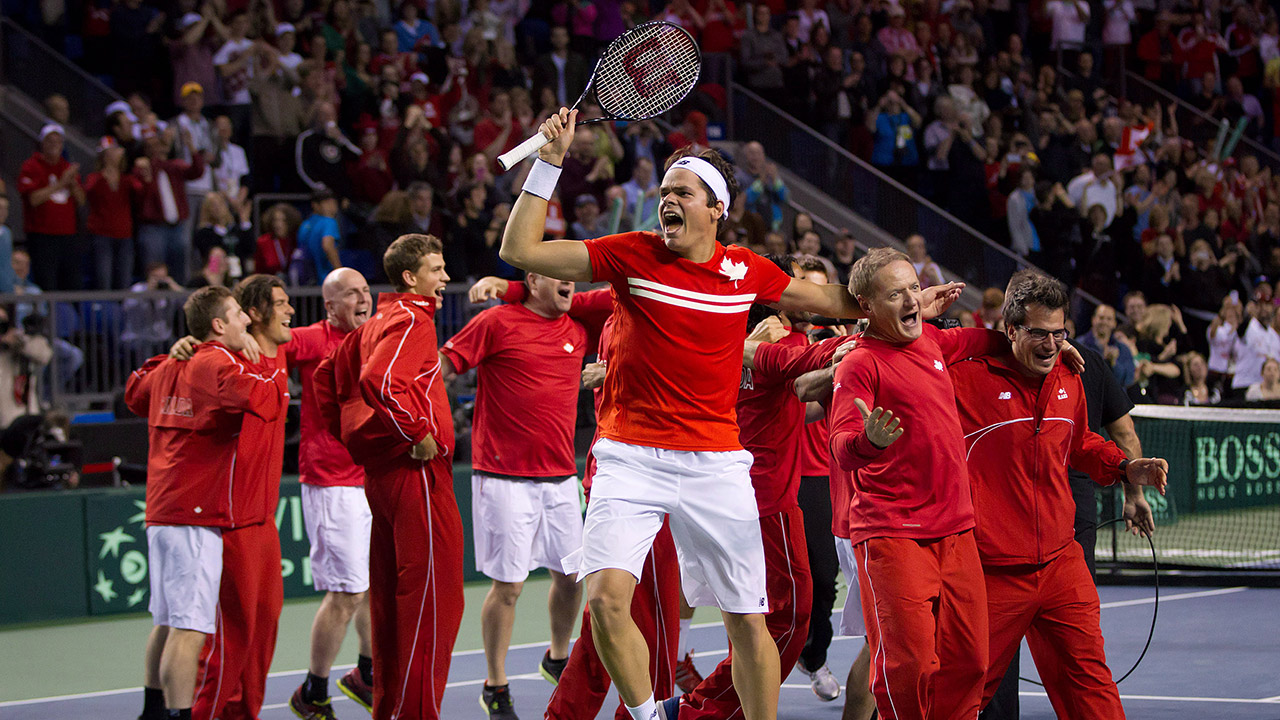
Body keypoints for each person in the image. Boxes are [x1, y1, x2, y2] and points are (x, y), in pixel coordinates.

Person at [498, 107, 961, 720]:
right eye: (664, 192)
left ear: (715, 208)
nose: (667, 200)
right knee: (608, 603)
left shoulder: (746, 271)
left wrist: (905, 303)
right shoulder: (629, 254)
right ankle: (648, 716)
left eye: (682, 192)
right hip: (627, 455)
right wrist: (548, 162)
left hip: (716, 463)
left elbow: (836, 300)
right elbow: (519, 248)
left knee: (750, 619)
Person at [827, 247, 1045, 720]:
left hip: (956, 531)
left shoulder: (932, 341)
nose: (909, 300)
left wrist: (1049, 342)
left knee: (970, 662)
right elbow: (841, 447)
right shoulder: (859, 364)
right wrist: (869, 442)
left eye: (912, 289)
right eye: (895, 294)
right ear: (866, 306)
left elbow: (989, 343)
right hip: (892, 534)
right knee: (909, 666)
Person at [949, 271, 1167, 719]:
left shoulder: (1072, 373)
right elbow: (914, 346)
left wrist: (1126, 468)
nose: (1050, 345)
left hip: (1061, 565)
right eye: (1037, 334)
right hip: (991, 573)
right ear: (1010, 329)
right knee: (955, 697)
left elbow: (1081, 443)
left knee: (1094, 692)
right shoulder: (963, 378)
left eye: (1058, 333)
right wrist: (987, 341)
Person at [438, 273, 606, 719]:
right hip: (501, 476)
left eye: (573, 276)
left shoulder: (578, 327)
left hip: (558, 476)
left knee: (571, 578)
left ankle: (555, 655)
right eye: (558, 276)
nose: (570, 283)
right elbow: (444, 366)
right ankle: (495, 684)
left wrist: (513, 286)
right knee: (509, 587)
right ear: (533, 279)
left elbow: (618, 295)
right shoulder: (496, 323)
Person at [312, 234, 461, 720]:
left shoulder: (372, 323)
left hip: (384, 475)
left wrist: (363, 441)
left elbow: (324, 379)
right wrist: (414, 432)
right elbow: (381, 383)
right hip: (416, 472)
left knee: (394, 602)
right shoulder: (411, 317)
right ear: (410, 278)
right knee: (433, 602)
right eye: (436, 270)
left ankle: (392, 709)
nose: (445, 279)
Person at [124, 286, 288, 720]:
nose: (246, 322)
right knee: (191, 627)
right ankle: (179, 713)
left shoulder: (173, 362)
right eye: (238, 315)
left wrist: (170, 354)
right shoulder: (216, 363)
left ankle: (151, 709)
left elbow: (134, 392)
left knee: (167, 618)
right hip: (195, 516)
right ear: (218, 325)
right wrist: (266, 363)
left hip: (162, 511)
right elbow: (264, 400)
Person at [674, 260, 815, 720]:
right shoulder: (786, 344)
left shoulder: (715, 340)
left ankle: (695, 708)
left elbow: (798, 406)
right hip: (768, 502)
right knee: (787, 621)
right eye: (792, 283)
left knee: (751, 625)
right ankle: (697, 711)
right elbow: (814, 371)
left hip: (721, 496)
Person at [188, 275, 296, 720]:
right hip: (229, 523)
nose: (291, 310)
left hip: (263, 522)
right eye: (282, 303)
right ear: (252, 316)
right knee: (229, 639)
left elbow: (339, 332)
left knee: (263, 632)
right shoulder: (226, 361)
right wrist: (187, 344)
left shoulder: (284, 349)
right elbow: (200, 357)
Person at [287, 268, 376, 718]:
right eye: (351, 294)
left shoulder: (377, 336)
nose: (363, 299)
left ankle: (367, 674)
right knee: (346, 593)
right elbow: (266, 342)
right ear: (330, 306)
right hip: (330, 481)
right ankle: (313, 692)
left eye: (366, 291)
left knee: (373, 584)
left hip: (370, 477)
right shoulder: (309, 339)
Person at [17, 124, 86, 290]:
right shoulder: (31, 166)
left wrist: (73, 185)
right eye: (50, 141)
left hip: (68, 235)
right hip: (42, 235)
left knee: (73, 283)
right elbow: (33, 199)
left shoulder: (66, 167)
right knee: (47, 284)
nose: (55, 144)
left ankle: (71, 316)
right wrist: (61, 183)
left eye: (58, 141)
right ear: (42, 143)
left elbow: (81, 201)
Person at [0, 305, 53, 431]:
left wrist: (21, 342)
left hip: (16, 418)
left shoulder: (19, 341)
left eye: (3, 323)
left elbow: (44, 355)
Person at [1080, 304, 1135, 389]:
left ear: (1114, 323)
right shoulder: (1079, 345)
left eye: (1109, 319)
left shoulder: (1123, 349)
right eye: (1101, 318)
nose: (1104, 322)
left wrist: (1114, 363)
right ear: (1093, 320)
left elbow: (1128, 379)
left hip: (1116, 400)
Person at [297, 190, 344, 283]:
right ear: (315, 205)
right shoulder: (329, 222)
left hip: (307, 280)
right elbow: (327, 245)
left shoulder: (304, 225)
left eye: (333, 202)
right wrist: (339, 272)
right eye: (327, 203)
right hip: (326, 279)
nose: (332, 207)